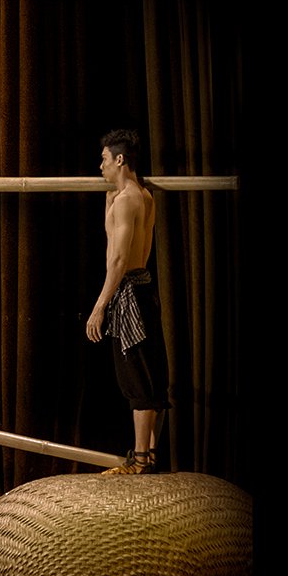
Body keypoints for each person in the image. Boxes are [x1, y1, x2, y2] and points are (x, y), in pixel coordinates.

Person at [83, 128, 169, 475]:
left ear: (120, 159)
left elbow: (119, 260)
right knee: (147, 370)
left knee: (137, 376)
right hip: (142, 289)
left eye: (104, 159)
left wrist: (99, 306)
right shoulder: (142, 195)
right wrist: (109, 197)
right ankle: (147, 454)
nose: (100, 165)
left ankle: (140, 461)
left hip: (130, 292)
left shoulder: (128, 199)